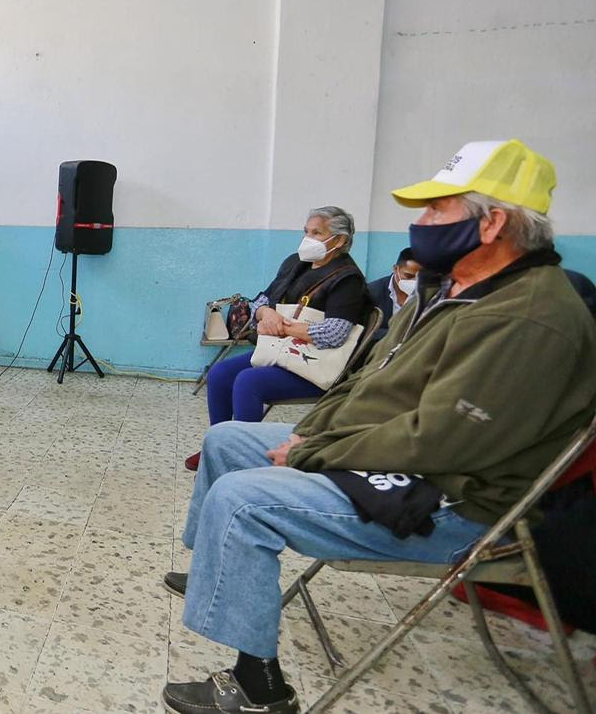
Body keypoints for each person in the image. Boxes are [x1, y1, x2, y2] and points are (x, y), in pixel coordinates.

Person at [160, 139, 596, 714]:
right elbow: (366, 383)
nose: (420, 223)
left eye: (438, 209)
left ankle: (258, 691)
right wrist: (313, 434)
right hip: (391, 457)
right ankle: (218, 575)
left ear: (492, 224)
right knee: (226, 439)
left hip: (457, 501)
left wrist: (314, 453)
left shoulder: (531, 317)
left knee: (243, 501)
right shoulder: (447, 290)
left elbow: (441, 440)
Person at [187, 207, 370, 473]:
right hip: (280, 350)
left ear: (339, 240)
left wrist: (283, 327)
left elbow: (335, 334)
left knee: (248, 382)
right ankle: (220, 447)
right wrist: (265, 312)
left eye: (317, 233)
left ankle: (242, 459)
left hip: (312, 365)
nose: (308, 238)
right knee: (219, 373)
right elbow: (261, 298)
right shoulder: (295, 263)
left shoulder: (347, 280)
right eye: (306, 232)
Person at [365, 247, 422, 342]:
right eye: (408, 276)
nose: (414, 281)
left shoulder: (427, 296)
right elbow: (364, 331)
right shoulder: (372, 292)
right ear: (396, 269)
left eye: (420, 277)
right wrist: (398, 336)